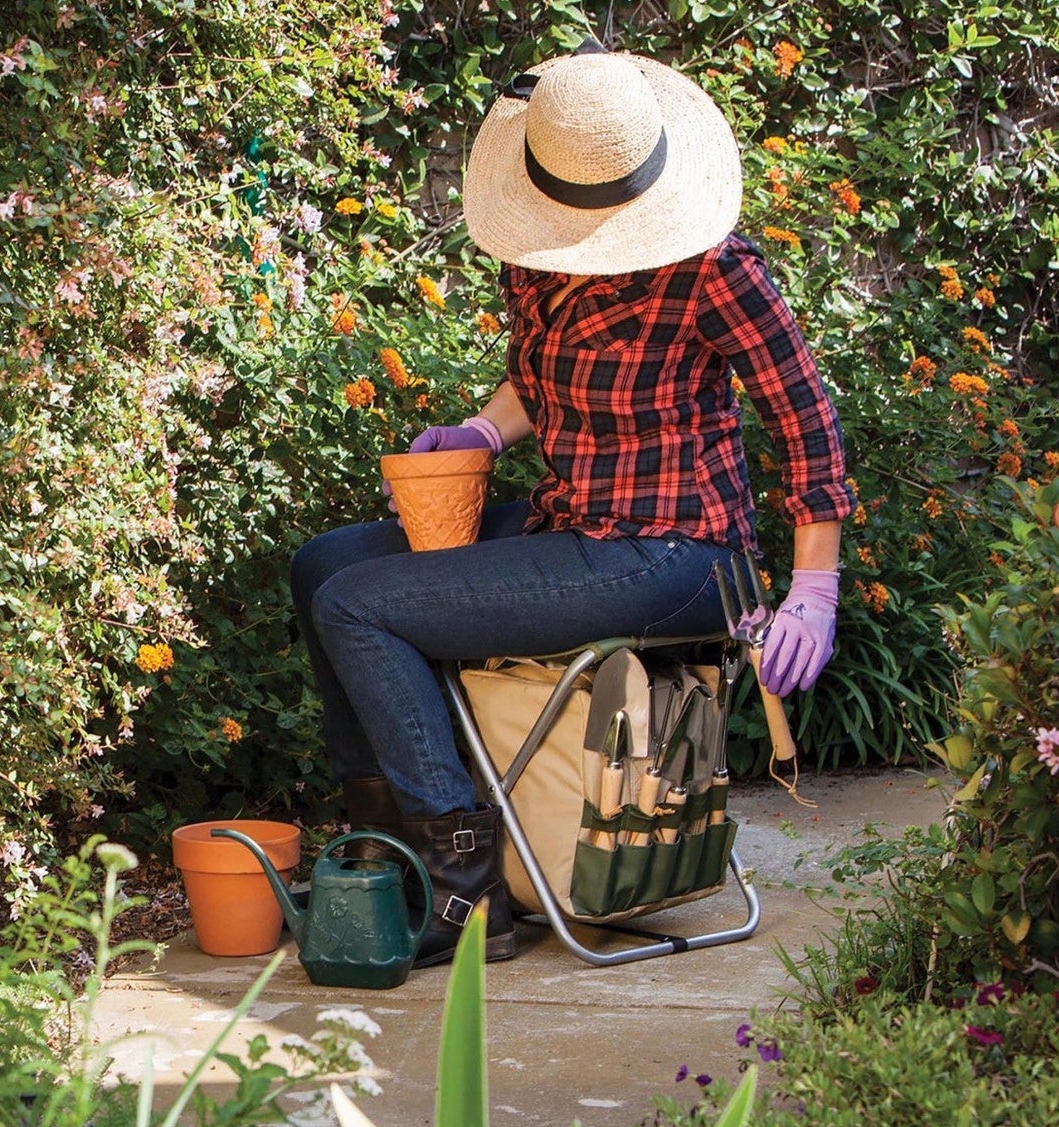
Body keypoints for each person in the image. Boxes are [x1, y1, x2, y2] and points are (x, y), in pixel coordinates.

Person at [291, 40, 852, 968]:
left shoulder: (715, 268)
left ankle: (462, 887)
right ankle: (388, 856)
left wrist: (814, 587)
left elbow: (807, 420)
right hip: (573, 519)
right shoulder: (538, 252)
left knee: (360, 606)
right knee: (326, 566)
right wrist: (481, 431)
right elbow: (539, 374)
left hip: (678, 553)